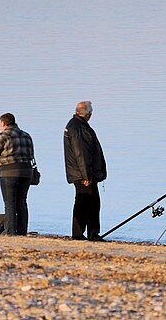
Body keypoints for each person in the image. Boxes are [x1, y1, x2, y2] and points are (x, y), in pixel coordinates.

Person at [0, 112, 35, 236]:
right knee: (22, 201)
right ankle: (22, 231)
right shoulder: (27, 135)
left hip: (9, 172)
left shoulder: (2, 136)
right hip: (26, 172)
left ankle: (10, 231)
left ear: (3, 123)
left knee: (9, 202)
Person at [64, 100, 107, 241]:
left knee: (85, 202)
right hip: (83, 174)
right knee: (90, 203)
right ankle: (89, 234)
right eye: (91, 112)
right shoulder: (78, 127)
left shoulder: (76, 125)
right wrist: (86, 175)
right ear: (87, 113)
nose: (91, 114)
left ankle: (81, 234)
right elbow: (81, 153)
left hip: (80, 173)